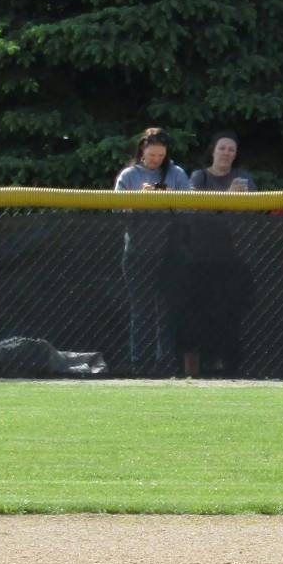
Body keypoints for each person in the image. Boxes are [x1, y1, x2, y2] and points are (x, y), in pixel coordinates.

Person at [114, 128, 192, 376]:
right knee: (141, 311)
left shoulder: (176, 173)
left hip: (170, 251)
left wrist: (170, 199)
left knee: (167, 310)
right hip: (137, 252)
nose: (156, 160)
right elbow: (116, 209)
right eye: (152, 155)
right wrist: (140, 199)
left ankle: (166, 363)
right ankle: (141, 365)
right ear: (142, 151)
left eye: (161, 155)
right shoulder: (128, 175)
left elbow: (190, 206)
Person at [182, 132, 254, 377]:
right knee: (197, 314)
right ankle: (194, 369)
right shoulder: (199, 177)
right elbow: (193, 210)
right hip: (199, 259)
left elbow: (251, 215)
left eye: (231, 150)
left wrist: (239, 201)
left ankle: (227, 367)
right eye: (222, 148)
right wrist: (226, 199)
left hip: (231, 259)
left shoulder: (243, 179)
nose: (226, 153)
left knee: (228, 314)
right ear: (213, 150)